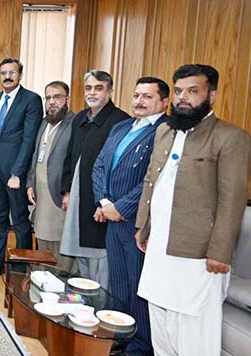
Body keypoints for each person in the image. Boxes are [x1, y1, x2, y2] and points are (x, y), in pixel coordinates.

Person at [136, 64, 251, 355]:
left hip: (197, 258)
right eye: (178, 91)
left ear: (211, 96)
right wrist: (143, 227)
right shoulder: (165, 131)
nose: (182, 98)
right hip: (159, 249)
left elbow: (232, 199)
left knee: (193, 337)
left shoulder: (229, 137)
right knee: (160, 330)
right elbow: (152, 182)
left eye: (192, 91)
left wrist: (220, 253)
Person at [92, 77, 170, 355]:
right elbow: (99, 164)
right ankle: (121, 337)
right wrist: (104, 201)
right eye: (137, 95)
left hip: (138, 223)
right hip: (112, 217)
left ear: (164, 102)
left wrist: (120, 208)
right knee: (119, 283)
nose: (139, 101)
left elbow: (154, 178)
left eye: (147, 97)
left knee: (138, 288)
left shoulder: (166, 131)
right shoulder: (122, 126)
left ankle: (140, 347)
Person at [59, 70, 130, 287]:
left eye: (99, 88)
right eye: (88, 88)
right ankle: (84, 297)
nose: (92, 93)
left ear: (110, 91)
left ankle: (100, 304)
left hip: (100, 199)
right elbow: (70, 155)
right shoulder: (80, 118)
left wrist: (104, 201)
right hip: (78, 194)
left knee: (97, 255)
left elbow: (118, 169)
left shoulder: (121, 121)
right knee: (78, 247)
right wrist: (67, 191)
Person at [0, 58, 43, 280]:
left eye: (12, 72)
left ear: (20, 75)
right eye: (3, 72)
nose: (7, 76)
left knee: (19, 220)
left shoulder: (31, 100)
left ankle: (21, 267)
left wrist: (18, 173)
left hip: (16, 173)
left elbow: (29, 139)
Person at [26, 81, 77, 274]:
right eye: (48, 98)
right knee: (43, 239)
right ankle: (43, 277)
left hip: (59, 194)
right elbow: (34, 156)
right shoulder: (44, 123)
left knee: (59, 242)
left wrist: (69, 190)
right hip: (41, 193)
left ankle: (60, 280)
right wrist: (30, 183)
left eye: (57, 97)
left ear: (67, 100)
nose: (52, 102)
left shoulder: (75, 123)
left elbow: (75, 161)